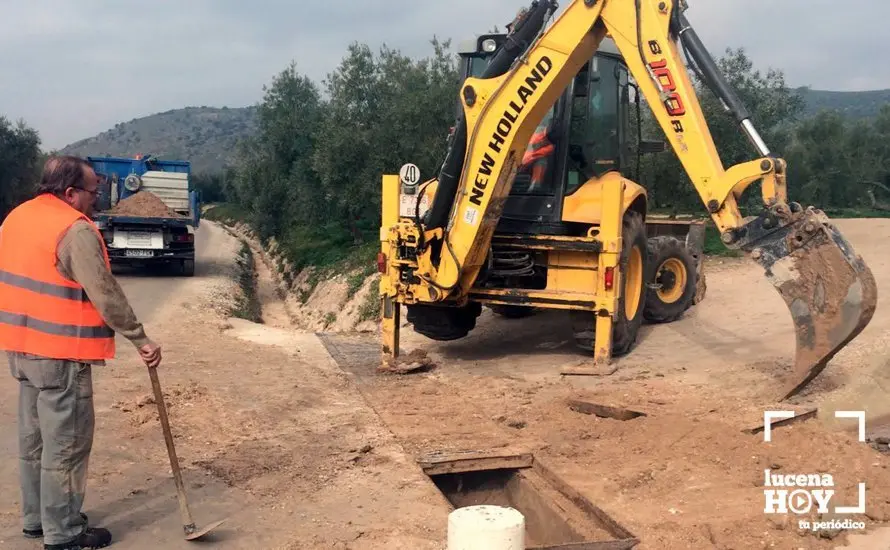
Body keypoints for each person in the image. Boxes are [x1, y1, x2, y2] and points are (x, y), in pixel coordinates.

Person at [0, 155, 162, 550]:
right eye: (92, 191)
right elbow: (104, 293)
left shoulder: (16, 217)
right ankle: (65, 534)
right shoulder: (73, 231)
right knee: (66, 445)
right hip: (60, 353)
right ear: (70, 192)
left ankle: (38, 520)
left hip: (21, 347)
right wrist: (140, 338)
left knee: (34, 441)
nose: (96, 198)